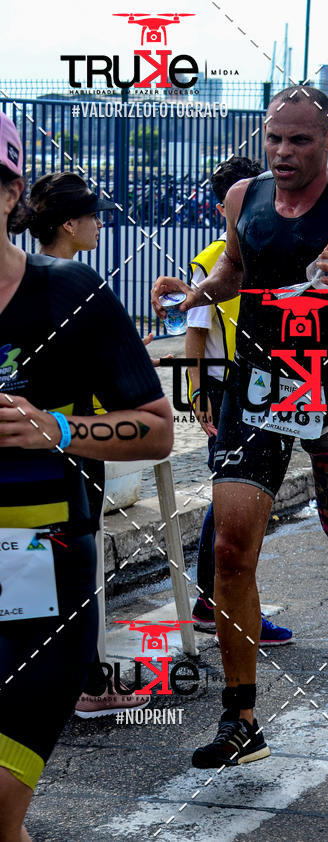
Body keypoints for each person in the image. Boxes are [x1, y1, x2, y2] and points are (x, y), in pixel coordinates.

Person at [152, 86, 328, 768]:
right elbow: (237, 266)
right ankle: (241, 719)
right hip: (255, 394)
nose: (283, 152)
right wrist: (196, 293)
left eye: (300, 140)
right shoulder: (242, 196)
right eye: (275, 137)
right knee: (228, 551)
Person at [0, 112, 173, 840]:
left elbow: (158, 426)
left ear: (10, 192)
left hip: (37, 573)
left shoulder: (68, 291)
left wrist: (63, 429)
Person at [28, 170, 153, 719]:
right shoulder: (75, 283)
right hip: (73, 444)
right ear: (70, 223)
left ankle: (47, 680)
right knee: (76, 566)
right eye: (94, 215)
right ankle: (89, 685)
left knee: (30, 570)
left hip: (35, 451)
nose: (101, 223)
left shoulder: (24, 283)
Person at [186, 157, 292, 646]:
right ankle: (214, 602)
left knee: (243, 497)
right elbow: (196, 333)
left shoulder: (272, 246)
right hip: (227, 387)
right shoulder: (213, 258)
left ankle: (217, 601)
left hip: (267, 382)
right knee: (233, 498)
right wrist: (197, 392)